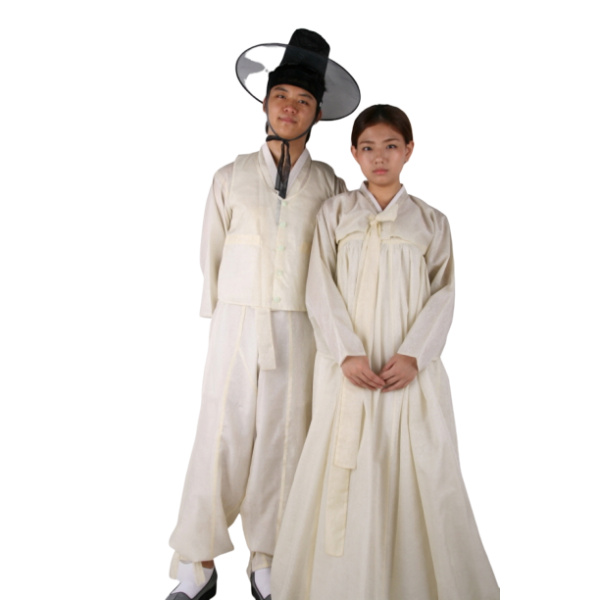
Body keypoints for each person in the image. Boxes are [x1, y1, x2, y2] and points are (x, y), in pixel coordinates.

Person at [271, 103, 500, 599]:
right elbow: (319, 286)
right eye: (368, 148)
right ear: (354, 153)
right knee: (346, 465)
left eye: (391, 146)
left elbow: (444, 293)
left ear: (409, 150)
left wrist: (416, 354)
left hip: (407, 373)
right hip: (349, 372)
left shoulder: (432, 221)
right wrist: (346, 352)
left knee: (420, 465)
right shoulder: (335, 214)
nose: (379, 157)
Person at [165, 28, 361, 600]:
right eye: (281, 97)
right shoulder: (227, 177)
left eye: (303, 101)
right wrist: (220, 316)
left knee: (285, 437)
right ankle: (197, 558)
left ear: (317, 113)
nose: (290, 108)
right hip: (237, 324)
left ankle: (269, 557)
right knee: (220, 434)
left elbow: (336, 266)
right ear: (264, 104)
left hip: (301, 329)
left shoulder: (331, 185)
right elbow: (211, 254)